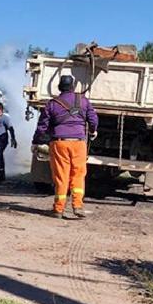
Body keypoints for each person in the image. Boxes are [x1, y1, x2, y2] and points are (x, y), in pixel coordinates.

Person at [32, 75, 98, 219]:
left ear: (59, 87)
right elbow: (93, 118)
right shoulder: (83, 100)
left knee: (61, 177)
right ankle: (78, 206)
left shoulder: (52, 104)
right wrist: (93, 130)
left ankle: (58, 209)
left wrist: (36, 141)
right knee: (78, 175)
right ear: (73, 87)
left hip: (59, 143)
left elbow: (42, 126)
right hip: (79, 143)